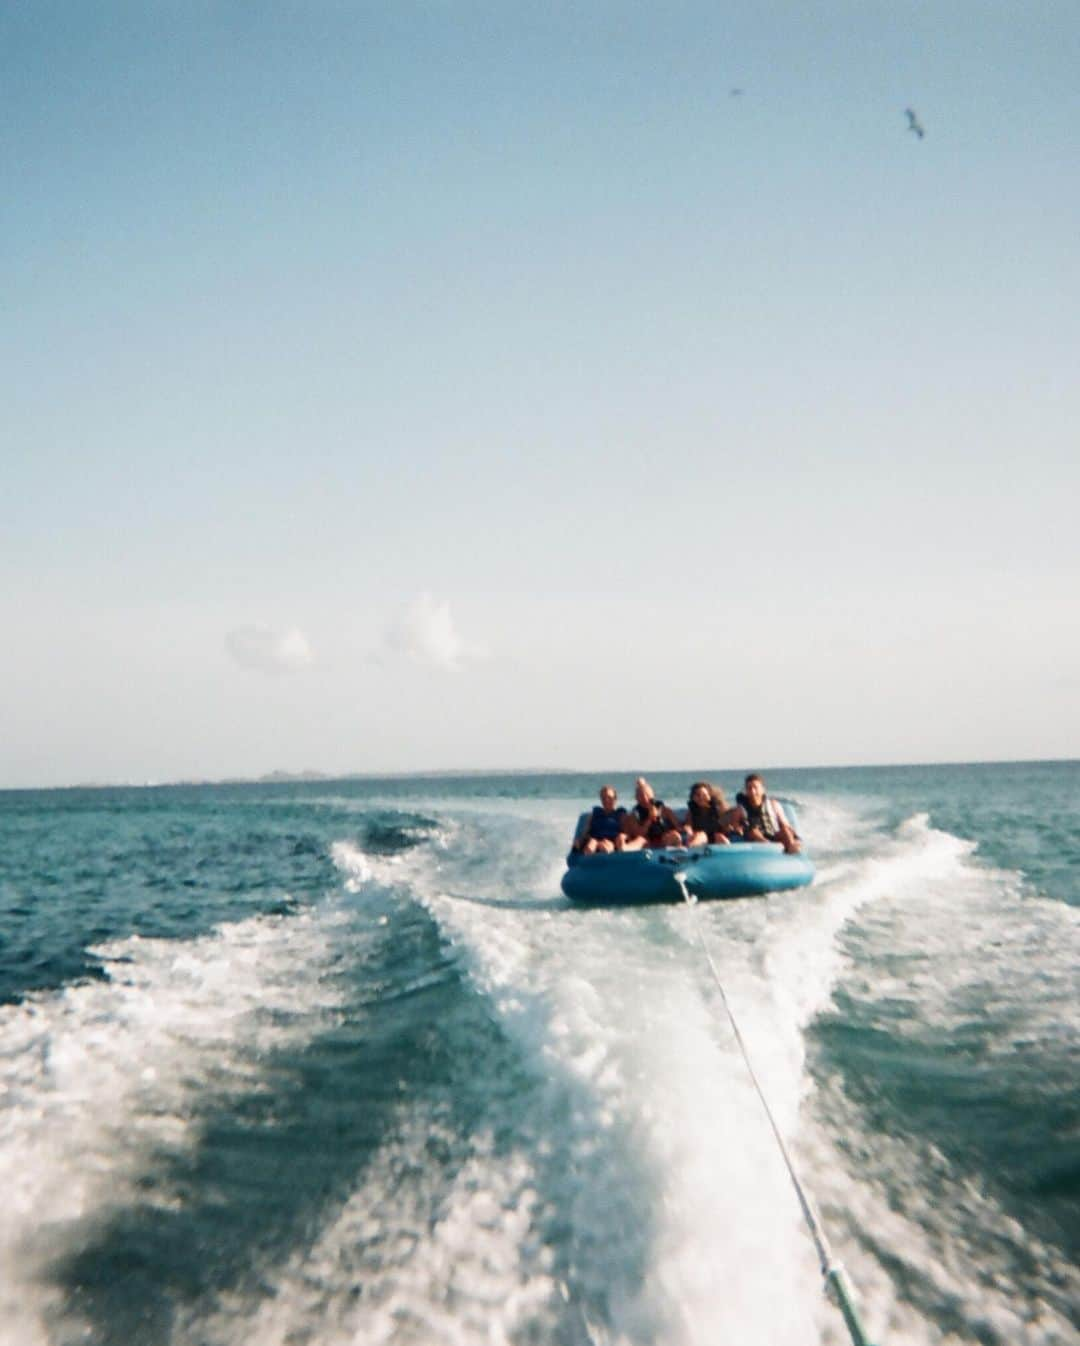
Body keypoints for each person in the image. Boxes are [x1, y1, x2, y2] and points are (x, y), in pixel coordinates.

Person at [735, 773, 802, 853]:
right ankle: (769, 846)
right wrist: (738, 828)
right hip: (755, 838)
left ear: (763, 789)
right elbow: (735, 827)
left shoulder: (773, 804)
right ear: (746, 791)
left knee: (785, 831)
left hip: (773, 835)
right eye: (749, 788)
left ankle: (792, 850)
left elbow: (784, 824)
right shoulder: (740, 809)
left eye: (755, 788)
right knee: (753, 831)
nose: (753, 791)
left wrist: (795, 837)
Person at [620, 776, 684, 850]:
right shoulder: (634, 815)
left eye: (647, 794)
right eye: (640, 795)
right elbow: (638, 834)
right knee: (640, 840)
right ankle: (625, 848)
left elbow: (678, 826)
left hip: (664, 838)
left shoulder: (665, 810)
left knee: (673, 835)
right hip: (647, 841)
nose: (645, 798)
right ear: (636, 798)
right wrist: (650, 819)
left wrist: (684, 829)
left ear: (653, 795)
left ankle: (678, 851)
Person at [572, 784, 628, 854]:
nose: (606, 800)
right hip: (594, 840)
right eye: (603, 798)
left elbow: (625, 833)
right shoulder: (595, 813)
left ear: (615, 798)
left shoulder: (621, 814)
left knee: (606, 848)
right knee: (590, 846)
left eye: (609, 797)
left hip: (611, 841)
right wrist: (580, 842)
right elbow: (586, 832)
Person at [684, 781, 741, 846]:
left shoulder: (719, 809)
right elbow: (688, 825)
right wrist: (688, 830)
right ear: (693, 798)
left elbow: (732, 814)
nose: (701, 798)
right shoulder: (692, 811)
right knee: (700, 836)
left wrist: (733, 826)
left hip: (716, 835)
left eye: (704, 795)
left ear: (709, 796)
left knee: (721, 838)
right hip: (701, 836)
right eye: (698, 795)